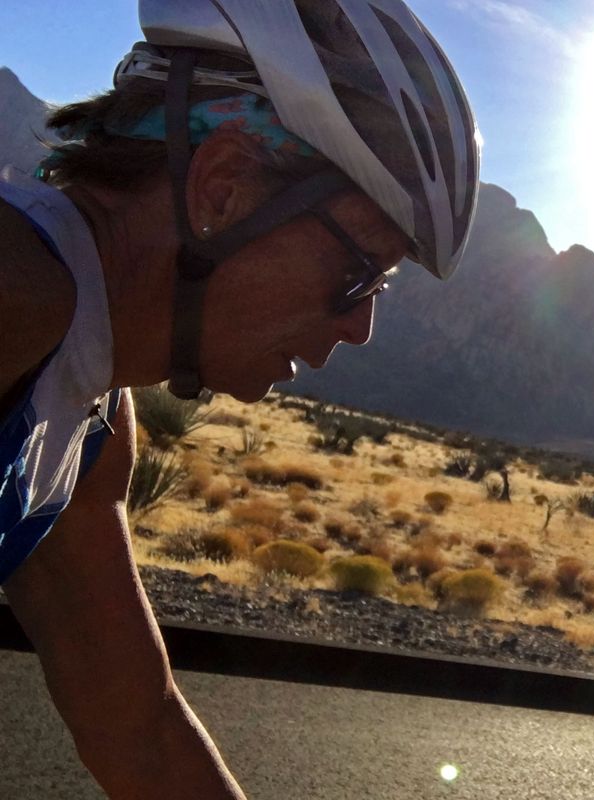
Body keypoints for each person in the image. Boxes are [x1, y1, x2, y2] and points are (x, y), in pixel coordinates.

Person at [0, 1, 480, 796]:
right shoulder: (19, 299)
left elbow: (139, 730)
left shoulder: (88, 414)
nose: (361, 327)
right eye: (361, 270)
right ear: (221, 188)